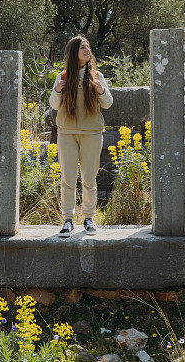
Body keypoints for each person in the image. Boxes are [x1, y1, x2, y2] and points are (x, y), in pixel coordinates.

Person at [49, 35, 113, 237]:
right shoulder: (63, 76)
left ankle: (88, 219)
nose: (87, 50)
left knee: (89, 179)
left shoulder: (96, 76)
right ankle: (67, 221)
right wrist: (58, 89)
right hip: (67, 133)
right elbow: (53, 104)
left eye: (88, 47)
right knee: (67, 179)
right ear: (73, 52)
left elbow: (108, 103)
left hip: (92, 134)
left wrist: (100, 88)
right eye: (83, 47)